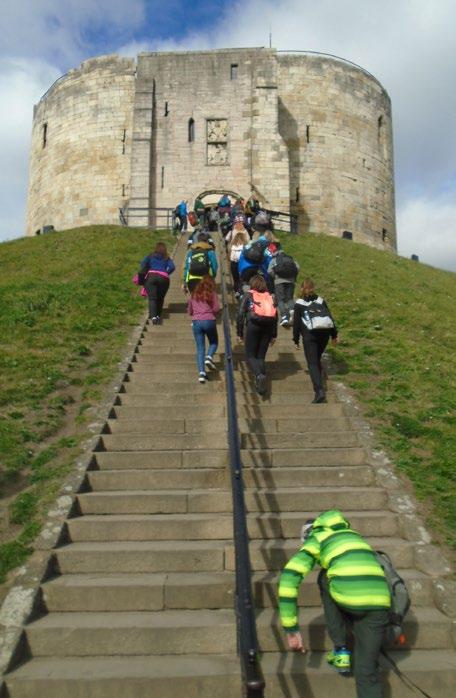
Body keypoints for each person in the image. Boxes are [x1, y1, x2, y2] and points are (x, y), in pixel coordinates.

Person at [279, 509, 391, 698]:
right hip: (380, 603)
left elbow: (289, 578)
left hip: (350, 600)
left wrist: (291, 628)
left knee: (325, 576)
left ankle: (341, 649)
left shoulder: (318, 537)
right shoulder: (355, 537)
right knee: (367, 670)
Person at [292, 278, 338, 403]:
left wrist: (295, 340)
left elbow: (296, 324)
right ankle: (320, 377)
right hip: (324, 334)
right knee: (316, 359)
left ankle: (319, 391)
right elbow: (330, 317)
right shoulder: (320, 300)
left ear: (302, 288)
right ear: (313, 288)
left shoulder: (299, 303)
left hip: (310, 335)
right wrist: (334, 335)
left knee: (312, 363)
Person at [237, 274, 277, 395]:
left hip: (253, 326)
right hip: (268, 327)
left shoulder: (248, 295)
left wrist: (239, 332)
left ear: (252, 284)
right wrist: (274, 335)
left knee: (250, 355)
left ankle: (259, 376)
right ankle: (261, 384)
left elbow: (240, 314)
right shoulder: (269, 296)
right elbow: (276, 315)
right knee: (260, 356)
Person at [187, 275, 220, 383]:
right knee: (214, 342)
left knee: (200, 348)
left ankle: (201, 373)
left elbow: (190, 311)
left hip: (196, 322)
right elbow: (216, 308)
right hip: (209, 320)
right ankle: (209, 356)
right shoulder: (212, 293)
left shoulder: (194, 294)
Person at [138, 242, 175, 324]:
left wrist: (142, 278)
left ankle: (154, 317)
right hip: (164, 278)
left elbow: (142, 264)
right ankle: (158, 315)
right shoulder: (166, 257)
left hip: (151, 277)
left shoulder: (150, 256)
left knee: (152, 298)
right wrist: (166, 273)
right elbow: (172, 267)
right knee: (160, 298)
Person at [268, 248, 299, 327]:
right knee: (289, 298)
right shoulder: (290, 259)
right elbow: (297, 268)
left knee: (280, 299)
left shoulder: (275, 259)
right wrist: (292, 277)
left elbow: (269, 270)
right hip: (291, 281)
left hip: (279, 281)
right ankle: (292, 310)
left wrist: (275, 276)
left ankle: (284, 317)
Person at [228, 230, 248, 297]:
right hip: (242, 264)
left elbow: (230, 257)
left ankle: (236, 291)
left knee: (235, 278)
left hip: (233, 263)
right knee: (242, 279)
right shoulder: (245, 246)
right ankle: (242, 292)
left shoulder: (232, 246)